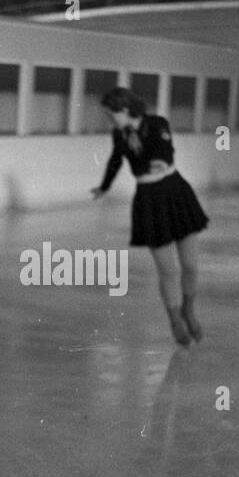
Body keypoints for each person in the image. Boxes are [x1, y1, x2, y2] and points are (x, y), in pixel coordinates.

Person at [92, 87, 208, 346]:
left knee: (190, 265)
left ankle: (189, 309)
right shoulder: (119, 134)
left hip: (175, 193)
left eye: (112, 115)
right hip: (149, 201)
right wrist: (105, 186)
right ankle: (175, 320)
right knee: (168, 271)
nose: (110, 120)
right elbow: (116, 160)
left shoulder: (157, 123)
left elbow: (165, 152)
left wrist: (151, 157)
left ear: (124, 109)